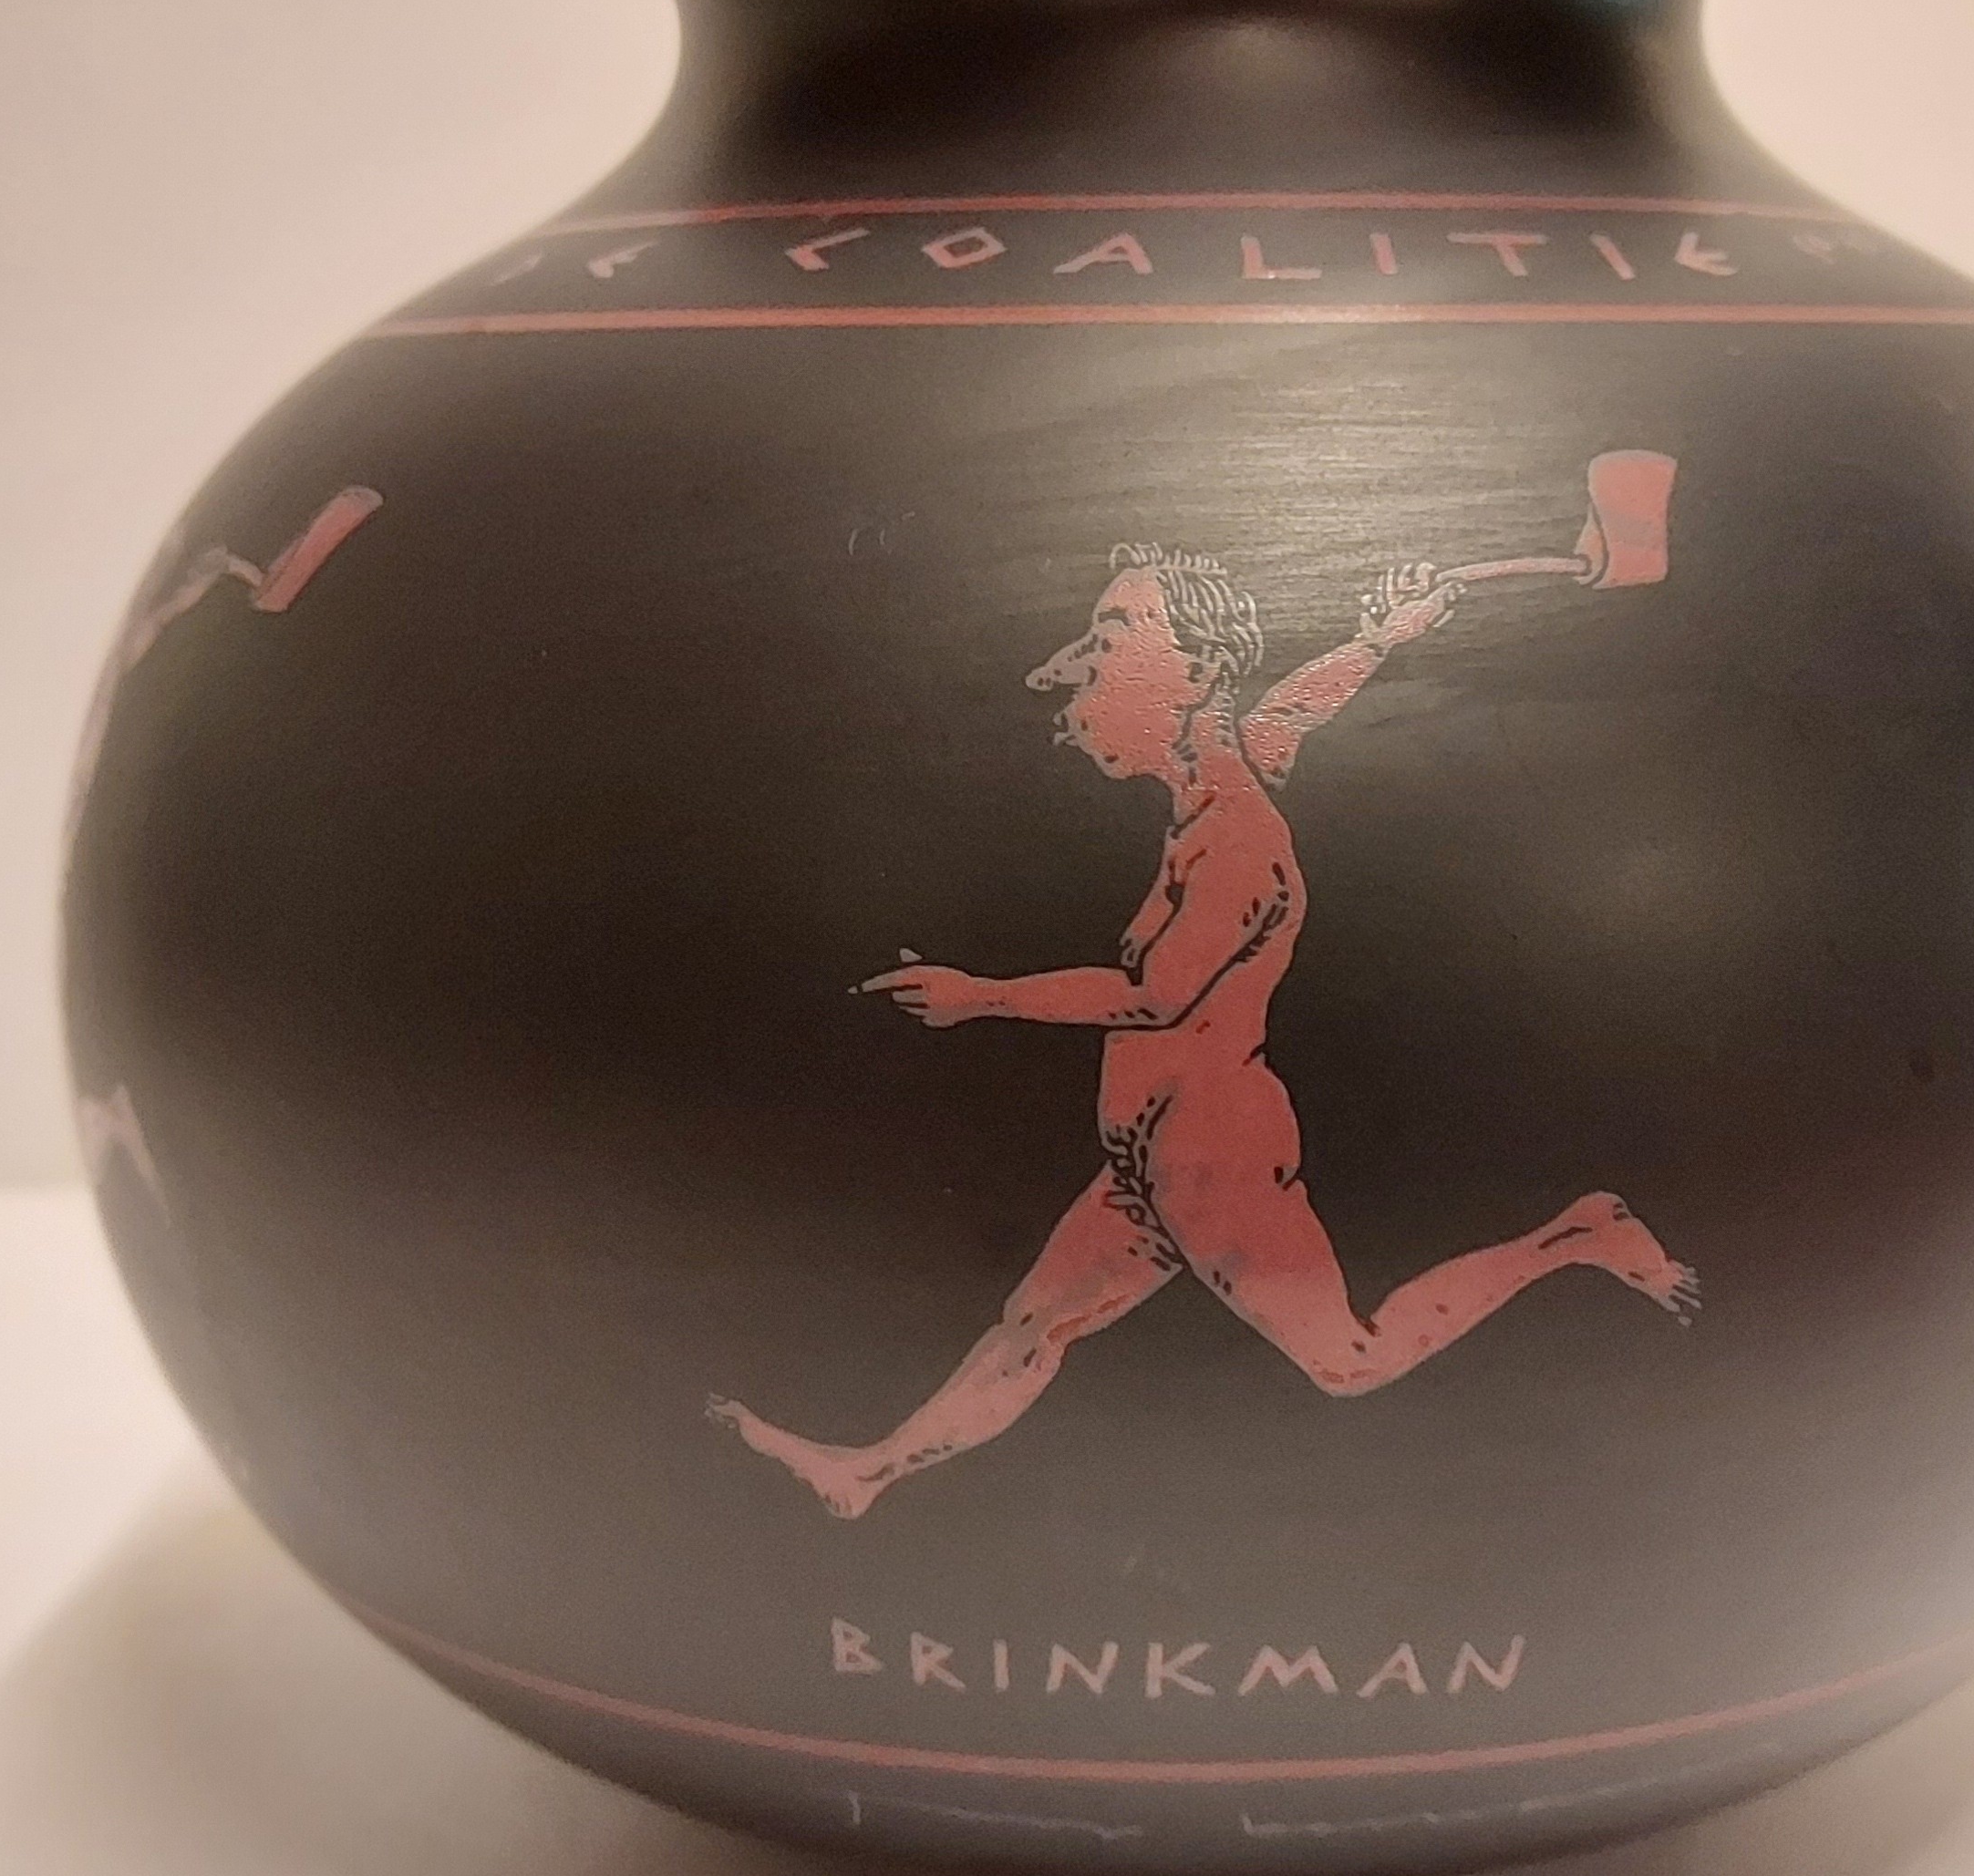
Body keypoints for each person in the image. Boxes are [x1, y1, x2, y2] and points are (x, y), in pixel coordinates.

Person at [715, 546, 1696, 1519]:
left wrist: (982, 996)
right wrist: (1376, 639)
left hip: (1213, 1153)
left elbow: (1156, 994)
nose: (1082, 664)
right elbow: (1291, 710)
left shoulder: (1237, 841)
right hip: (1146, 1154)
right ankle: (869, 1474)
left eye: (1112, 637)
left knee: (1346, 1361)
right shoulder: (1216, 782)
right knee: (1033, 1324)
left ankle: (1576, 1234)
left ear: (1195, 673)